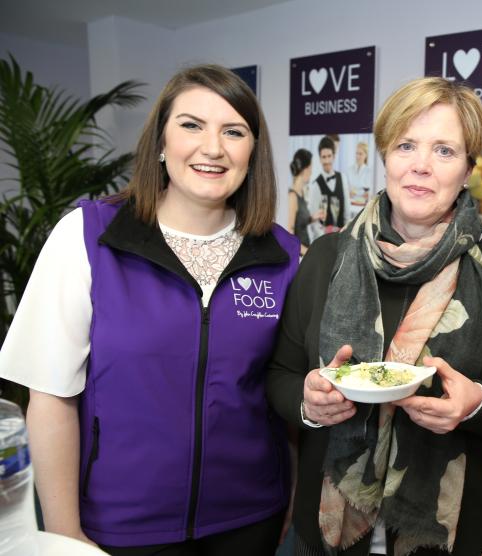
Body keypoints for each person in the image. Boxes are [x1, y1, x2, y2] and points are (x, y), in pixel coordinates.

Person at [0, 65, 300, 555]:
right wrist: (64, 534)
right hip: (120, 526)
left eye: (233, 131)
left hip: (249, 517)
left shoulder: (283, 255)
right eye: (191, 125)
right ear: (161, 141)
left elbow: (284, 390)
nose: (212, 147)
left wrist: (291, 495)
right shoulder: (88, 237)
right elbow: (51, 396)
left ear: (253, 151)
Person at [266, 76, 482, 556]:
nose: (420, 166)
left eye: (444, 151)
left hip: (449, 538)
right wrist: (308, 403)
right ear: (386, 156)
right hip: (328, 534)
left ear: (468, 168)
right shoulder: (327, 258)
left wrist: (475, 405)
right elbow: (280, 375)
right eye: (406, 145)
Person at [289, 148, 323, 255]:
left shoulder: (301, 193)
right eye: (311, 168)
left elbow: (299, 222)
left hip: (305, 251)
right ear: (305, 169)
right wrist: (309, 253)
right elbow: (289, 237)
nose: (311, 172)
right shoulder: (292, 197)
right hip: (299, 256)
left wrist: (312, 218)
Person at [312, 136, 346, 231]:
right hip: (324, 237)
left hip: (342, 235)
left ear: (334, 156)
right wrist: (324, 232)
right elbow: (314, 222)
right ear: (320, 159)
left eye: (329, 156)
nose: (327, 161)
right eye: (324, 157)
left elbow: (346, 214)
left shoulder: (343, 178)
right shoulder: (316, 185)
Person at [345, 141, 372, 218]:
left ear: (366, 155)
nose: (358, 156)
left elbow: (368, 193)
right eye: (357, 153)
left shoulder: (369, 171)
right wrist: (348, 192)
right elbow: (346, 189)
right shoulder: (349, 170)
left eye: (360, 154)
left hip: (363, 206)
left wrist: (366, 194)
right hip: (351, 204)